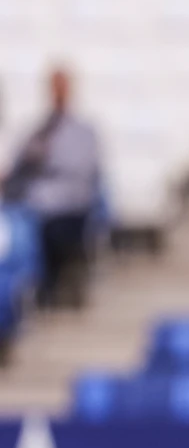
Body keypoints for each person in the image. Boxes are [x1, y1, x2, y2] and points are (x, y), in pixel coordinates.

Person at [3, 66, 103, 309]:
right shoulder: (38, 129)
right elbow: (19, 164)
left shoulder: (83, 131)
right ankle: (20, 288)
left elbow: (79, 173)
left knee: (30, 219)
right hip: (33, 202)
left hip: (66, 206)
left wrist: (45, 162)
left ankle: (38, 287)